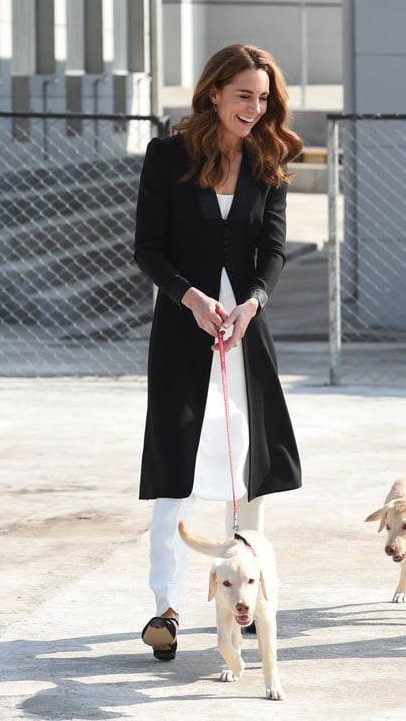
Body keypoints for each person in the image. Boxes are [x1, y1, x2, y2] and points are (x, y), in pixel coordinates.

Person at [133, 44, 304, 661]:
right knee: (176, 462)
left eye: (263, 99)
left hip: (245, 331)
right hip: (184, 328)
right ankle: (166, 608)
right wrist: (191, 298)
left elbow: (274, 251)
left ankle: (246, 598)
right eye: (244, 96)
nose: (255, 109)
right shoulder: (169, 157)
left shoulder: (271, 158)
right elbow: (148, 249)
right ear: (214, 94)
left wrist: (252, 301)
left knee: (247, 464)